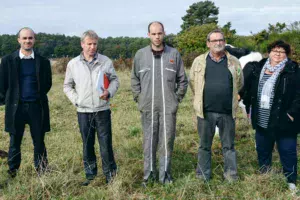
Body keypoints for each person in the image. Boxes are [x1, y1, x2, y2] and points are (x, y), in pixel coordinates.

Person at [131, 21, 188, 185]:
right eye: (153, 34)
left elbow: (182, 80)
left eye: (160, 33)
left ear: (164, 34)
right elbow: (134, 79)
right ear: (148, 35)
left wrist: (176, 99)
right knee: (149, 142)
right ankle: (148, 176)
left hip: (168, 109)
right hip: (148, 107)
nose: (157, 37)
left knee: (166, 141)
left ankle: (165, 176)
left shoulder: (174, 54)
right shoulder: (140, 55)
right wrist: (139, 98)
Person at [240, 40, 300, 191]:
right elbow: (248, 89)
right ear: (269, 52)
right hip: (262, 117)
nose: (278, 54)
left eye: (282, 52)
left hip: (284, 119)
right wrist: (243, 100)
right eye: (275, 51)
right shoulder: (258, 67)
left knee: (287, 150)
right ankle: (265, 174)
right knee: (263, 149)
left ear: (286, 54)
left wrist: (291, 114)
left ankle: (291, 179)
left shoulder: (293, 69)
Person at [64, 30, 119, 186]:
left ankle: (110, 175)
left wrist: (109, 92)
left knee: (105, 143)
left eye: (95, 44)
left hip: (102, 110)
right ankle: (90, 175)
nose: (92, 47)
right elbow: (67, 86)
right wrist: (77, 100)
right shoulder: (73, 64)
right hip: (83, 111)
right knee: (87, 144)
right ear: (82, 44)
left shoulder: (105, 61)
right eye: (89, 44)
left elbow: (115, 81)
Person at [189, 29, 243, 181]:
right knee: (204, 146)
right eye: (214, 41)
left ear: (224, 42)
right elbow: (193, 82)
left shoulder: (234, 61)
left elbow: (240, 82)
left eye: (221, 40)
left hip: (227, 112)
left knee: (229, 146)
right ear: (208, 44)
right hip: (205, 112)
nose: (218, 43)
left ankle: (231, 176)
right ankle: (202, 175)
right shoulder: (199, 61)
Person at [0, 27, 52, 177]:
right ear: (19, 40)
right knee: (14, 142)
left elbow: (47, 84)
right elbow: (2, 84)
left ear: (34, 40)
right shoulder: (8, 61)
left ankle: (42, 171)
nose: (27, 41)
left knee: (39, 141)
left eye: (30, 38)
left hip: (37, 107)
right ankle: (13, 172)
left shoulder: (43, 62)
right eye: (24, 38)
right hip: (16, 108)